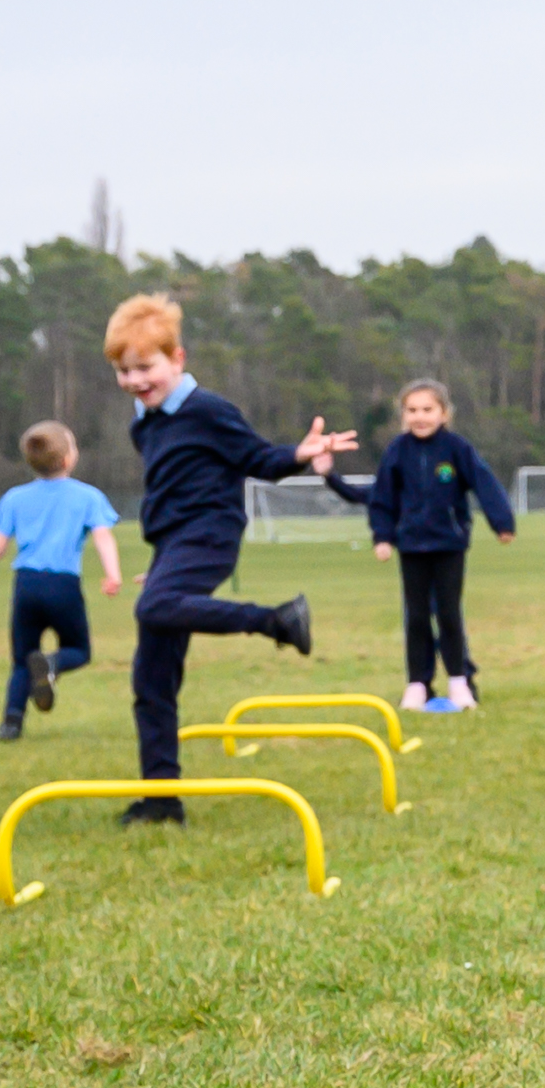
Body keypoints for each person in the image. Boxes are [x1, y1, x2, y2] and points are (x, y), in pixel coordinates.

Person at [106, 295, 356, 823]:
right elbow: (169, 489)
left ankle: (277, 621)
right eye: (123, 371)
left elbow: (257, 459)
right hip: (175, 546)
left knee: (153, 608)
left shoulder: (208, 410)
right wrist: (165, 563)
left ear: (177, 359)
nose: (134, 380)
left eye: (145, 367)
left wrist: (299, 453)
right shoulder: (143, 423)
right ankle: (160, 800)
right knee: (151, 679)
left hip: (211, 536)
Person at [330, 377, 515, 714]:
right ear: (403, 416)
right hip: (411, 545)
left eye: (427, 409)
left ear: (443, 413)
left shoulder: (457, 449)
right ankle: (418, 684)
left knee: (448, 614)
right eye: (412, 410)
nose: (420, 417)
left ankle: (459, 682)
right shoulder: (396, 452)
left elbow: (484, 483)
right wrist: (382, 537)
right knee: (415, 616)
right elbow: (382, 498)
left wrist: (502, 522)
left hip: (449, 544)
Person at [0, 420, 125, 740]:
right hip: (63, 585)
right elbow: (103, 539)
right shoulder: (88, 497)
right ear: (68, 459)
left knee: (22, 659)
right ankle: (52, 664)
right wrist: (113, 574)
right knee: (79, 651)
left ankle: (11, 723)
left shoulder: (15, 497)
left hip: (26, 584)